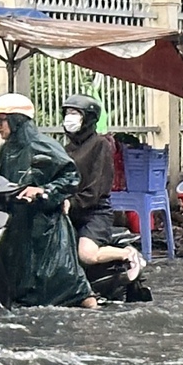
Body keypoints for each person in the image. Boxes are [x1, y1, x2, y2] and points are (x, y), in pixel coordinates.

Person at [0, 93, 95, 308]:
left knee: (66, 278)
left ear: (17, 120)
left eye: (1, 120)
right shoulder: (7, 149)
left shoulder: (42, 145)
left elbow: (71, 176)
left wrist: (44, 190)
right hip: (17, 221)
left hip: (45, 224)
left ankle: (94, 310)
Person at [60, 94, 143, 282]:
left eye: (75, 113)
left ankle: (127, 254)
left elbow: (95, 189)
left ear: (88, 118)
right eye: (67, 113)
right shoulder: (67, 149)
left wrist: (71, 202)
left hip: (94, 212)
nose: (70, 118)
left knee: (86, 255)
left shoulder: (100, 145)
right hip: (68, 211)